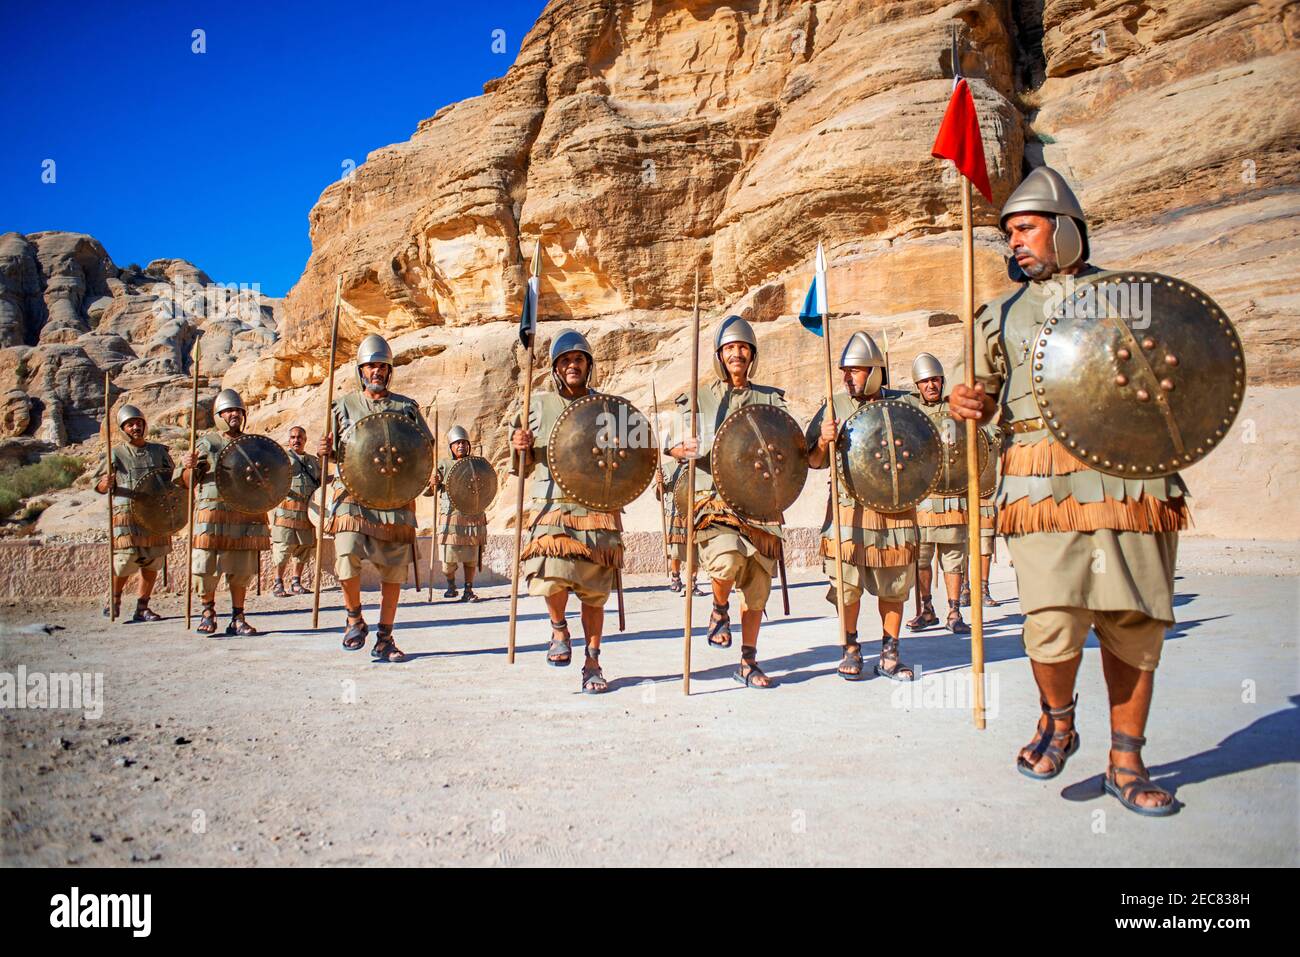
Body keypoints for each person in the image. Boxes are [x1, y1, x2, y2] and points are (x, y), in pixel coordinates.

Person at [948, 165, 1186, 815]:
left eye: (1025, 228)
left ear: (1067, 229)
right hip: (1040, 480)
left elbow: (1174, 378)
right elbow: (985, 400)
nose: (1014, 242)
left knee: (1133, 621)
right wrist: (968, 400)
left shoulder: (1127, 296)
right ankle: (1060, 716)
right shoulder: (998, 315)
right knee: (1050, 621)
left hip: (1129, 478)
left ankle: (1126, 762)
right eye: (1007, 233)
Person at [667, 315, 787, 689]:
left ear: (752, 354)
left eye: (743, 347)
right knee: (727, 558)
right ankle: (719, 607)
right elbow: (671, 443)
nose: (737, 353)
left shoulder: (770, 399)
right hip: (714, 498)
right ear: (720, 354)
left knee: (757, 584)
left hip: (759, 503)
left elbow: (786, 447)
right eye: (730, 348)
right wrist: (679, 448)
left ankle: (748, 661)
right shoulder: (699, 398)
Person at [510, 329, 623, 693]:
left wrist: (620, 452)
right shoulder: (536, 405)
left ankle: (592, 662)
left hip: (595, 507)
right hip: (552, 504)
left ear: (588, 366)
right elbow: (521, 466)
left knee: (593, 591)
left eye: (578, 360)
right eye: (565, 361)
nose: (572, 365)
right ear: (556, 368)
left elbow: (626, 459)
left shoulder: (606, 407)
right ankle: (559, 628)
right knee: (551, 573)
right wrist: (520, 446)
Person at [806, 331, 920, 681]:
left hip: (895, 508)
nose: (846, 377)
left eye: (854, 370)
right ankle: (851, 647)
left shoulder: (905, 404)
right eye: (844, 371)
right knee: (847, 584)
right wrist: (824, 442)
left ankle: (890, 653)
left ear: (874, 370)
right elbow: (811, 461)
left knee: (895, 583)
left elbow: (923, 453)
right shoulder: (833, 407)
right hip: (847, 508)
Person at [319, 334, 434, 662]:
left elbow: (424, 448)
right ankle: (354, 617)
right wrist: (324, 451)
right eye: (371, 366)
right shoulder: (342, 406)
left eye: (382, 366)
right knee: (346, 550)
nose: (377, 371)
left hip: (394, 497)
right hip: (352, 492)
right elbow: (333, 452)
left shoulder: (406, 407)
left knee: (393, 568)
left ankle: (385, 636)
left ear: (389, 370)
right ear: (361, 370)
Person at [178, 389, 268, 636]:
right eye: (229, 410)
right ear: (219, 415)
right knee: (205, 566)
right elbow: (187, 482)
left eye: (238, 410)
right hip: (212, 514)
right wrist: (188, 466)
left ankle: (238, 618)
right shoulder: (207, 443)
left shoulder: (252, 444)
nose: (234, 415)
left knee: (241, 569)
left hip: (242, 513)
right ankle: (207, 611)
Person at [904, 353, 970, 635]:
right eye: (925, 381)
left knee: (953, 558)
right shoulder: (910, 409)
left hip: (952, 496)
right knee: (921, 559)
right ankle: (927, 609)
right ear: (917, 385)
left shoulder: (954, 410)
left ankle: (954, 611)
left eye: (935, 380)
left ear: (942, 381)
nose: (931, 385)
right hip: (921, 501)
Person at [94, 404, 177, 622]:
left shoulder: (159, 451)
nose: (135, 427)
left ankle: (142, 607)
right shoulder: (116, 452)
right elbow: (99, 485)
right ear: (123, 428)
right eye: (130, 424)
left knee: (152, 560)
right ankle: (114, 599)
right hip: (127, 513)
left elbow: (172, 479)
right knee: (124, 559)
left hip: (153, 514)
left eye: (139, 423)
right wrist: (105, 483)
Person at [434, 425, 486, 602]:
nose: (461, 446)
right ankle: (451, 584)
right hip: (451, 516)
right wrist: (433, 482)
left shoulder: (476, 463)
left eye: (464, 442)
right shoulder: (443, 464)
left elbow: (486, 485)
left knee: (471, 558)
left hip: (473, 516)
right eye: (457, 443)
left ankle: (468, 590)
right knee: (448, 560)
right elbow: (431, 488)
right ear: (451, 447)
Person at [271, 425, 320, 597]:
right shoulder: (281, 459)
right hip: (286, 512)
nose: (296, 440)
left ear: (305, 440)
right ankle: (277, 583)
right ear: (288, 440)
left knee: (303, 549)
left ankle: (296, 582)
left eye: (299, 437)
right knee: (283, 548)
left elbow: (320, 481)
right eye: (292, 437)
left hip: (306, 513)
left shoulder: (313, 461)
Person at [655, 459, 703, 595]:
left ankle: (692, 583)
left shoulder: (698, 467)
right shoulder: (667, 468)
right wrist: (659, 483)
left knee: (694, 551)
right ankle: (675, 578)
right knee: (675, 549)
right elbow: (660, 494)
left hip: (695, 514)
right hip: (675, 513)